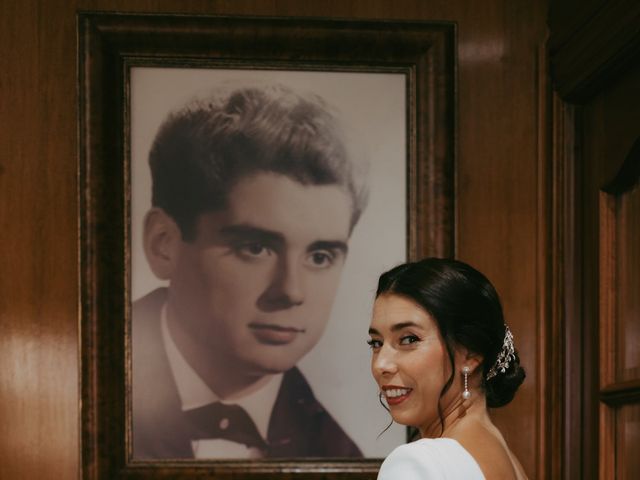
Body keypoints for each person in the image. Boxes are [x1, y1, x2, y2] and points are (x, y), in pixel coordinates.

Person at [132, 83, 368, 459]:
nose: (291, 291)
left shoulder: (341, 457)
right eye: (255, 248)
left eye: (320, 256)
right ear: (164, 244)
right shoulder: (71, 396)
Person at [367, 258, 528, 479]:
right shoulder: (508, 462)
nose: (380, 364)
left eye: (408, 339)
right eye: (376, 343)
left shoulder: (419, 464)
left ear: (470, 353)